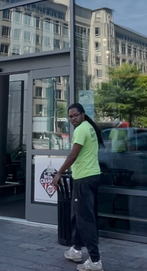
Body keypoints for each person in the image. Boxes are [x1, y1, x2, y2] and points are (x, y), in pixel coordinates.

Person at [51, 103, 104, 271]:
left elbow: (73, 155)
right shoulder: (89, 127)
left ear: (82, 114)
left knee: (84, 219)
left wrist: (59, 173)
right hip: (92, 176)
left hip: (84, 179)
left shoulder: (81, 129)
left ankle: (95, 261)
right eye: (70, 116)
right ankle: (76, 249)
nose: (73, 119)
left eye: (75, 115)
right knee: (80, 216)